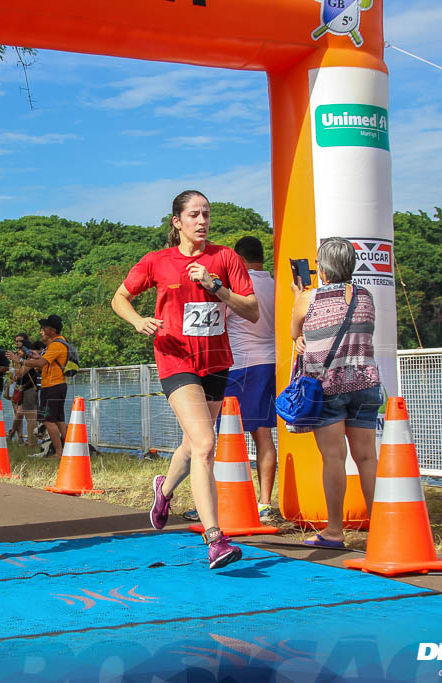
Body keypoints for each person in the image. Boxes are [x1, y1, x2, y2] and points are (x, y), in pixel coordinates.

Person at [111, 190, 259, 569]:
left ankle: (165, 489)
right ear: (177, 222)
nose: (203, 221)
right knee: (206, 444)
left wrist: (216, 287)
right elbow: (120, 298)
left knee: (193, 444)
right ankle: (215, 539)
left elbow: (253, 311)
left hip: (216, 361)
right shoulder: (157, 262)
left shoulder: (225, 258)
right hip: (175, 358)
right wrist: (137, 320)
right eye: (194, 215)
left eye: (207, 214)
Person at [290, 236, 381, 549]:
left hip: (327, 387)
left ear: (322, 268)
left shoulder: (309, 299)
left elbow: (295, 332)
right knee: (368, 457)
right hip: (366, 383)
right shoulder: (366, 296)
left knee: (333, 458)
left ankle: (333, 531)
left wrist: (297, 297)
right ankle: (381, 528)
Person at [182, 235, 277, 523]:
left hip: (238, 364)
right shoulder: (275, 283)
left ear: (238, 258)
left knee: (223, 438)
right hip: (269, 361)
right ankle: (264, 503)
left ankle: (219, 502)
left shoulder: (234, 283)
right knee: (263, 434)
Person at [20, 315, 70, 458]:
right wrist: (36, 358)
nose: (41, 331)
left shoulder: (56, 345)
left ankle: (60, 452)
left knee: (48, 421)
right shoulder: (59, 343)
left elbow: (41, 364)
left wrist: (22, 361)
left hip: (53, 386)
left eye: (44, 328)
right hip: (58, 385)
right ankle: (70, 448)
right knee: (59, 420)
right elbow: (44, 362)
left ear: (52, 330)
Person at [6, 334, 40, 446]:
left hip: (30, 389)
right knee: (27, 416)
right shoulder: (25, 360)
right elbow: (16, 374)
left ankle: (31, 442)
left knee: (31, 418)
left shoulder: (30, 359)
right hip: (24, 389)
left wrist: (16, 360)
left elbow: (20, 373)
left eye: (20, 349)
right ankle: (29, 441)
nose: (18, 351)